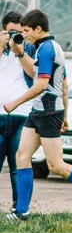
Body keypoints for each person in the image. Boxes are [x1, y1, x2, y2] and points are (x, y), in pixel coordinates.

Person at [3, 9, 72, 221]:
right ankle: (22, 211)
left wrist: (16, 102)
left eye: (26, 31)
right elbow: (63, 86)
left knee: (56, 165)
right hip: (41, 111)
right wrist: (65, 115)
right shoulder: (52, 47)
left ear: (38, 29)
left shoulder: (45, 50)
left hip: (47, 111)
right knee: (22, 156)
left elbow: (42, 85)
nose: (24, 35)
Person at [0, 11, 36, 212]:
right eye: (11, 32)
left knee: (19, 163)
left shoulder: (28, 48)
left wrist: (20, 51)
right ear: (3, 30)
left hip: (22, 114)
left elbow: (34, 74)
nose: (15, 36)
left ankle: (20, 207)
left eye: (19, 32)